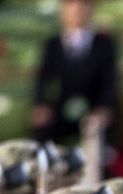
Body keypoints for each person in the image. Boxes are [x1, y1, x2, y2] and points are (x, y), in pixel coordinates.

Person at [31, 0, 118, 146]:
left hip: (92, 109)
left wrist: (104, 108)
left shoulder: (104, 44)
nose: (77, 9)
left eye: (83, 4)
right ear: (63, 10)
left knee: (98, 131)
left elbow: (110, 80)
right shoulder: (52, 44)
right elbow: (42, 78)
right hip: (60, 109)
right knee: (41, 127)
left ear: (91, 8)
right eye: (71, 4)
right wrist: (41, 104)